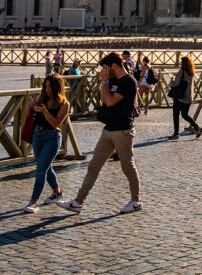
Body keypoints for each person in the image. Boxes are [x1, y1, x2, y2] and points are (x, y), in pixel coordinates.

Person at [57, 52, 143, 214]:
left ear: (114, 66)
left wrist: (104, 81)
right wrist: (105, 82)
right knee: (93, 166)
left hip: (123, 130)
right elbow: (104, 100)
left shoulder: (128, 82)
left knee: (127, 166)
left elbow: (110, 101)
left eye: (105, 68)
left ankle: (136, 200)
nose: (104, 71)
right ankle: (78, 201)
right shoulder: (112, 80)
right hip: (109, 129)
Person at [22, 74, 70, 213]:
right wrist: (29, 106)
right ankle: (57, 192)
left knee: (41, 169)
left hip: (52, 138)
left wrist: (44, 111)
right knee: (46, 167)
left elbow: (55, 123)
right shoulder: (42, 99)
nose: (47, 89)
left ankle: (34, 202)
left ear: (57, 88)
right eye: (46, 86)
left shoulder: (64, 104)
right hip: (37, 135)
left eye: (50, 87)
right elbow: (26, 116)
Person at [168, 56, 201, 140]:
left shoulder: (181, 72)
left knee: (176, 115)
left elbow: (175, 83)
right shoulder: (192, 72)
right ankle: (196, 127)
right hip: (189, 97)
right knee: (185, 115)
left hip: (180, 96)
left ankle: (176, 134)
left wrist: (172, 80)